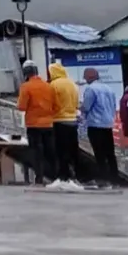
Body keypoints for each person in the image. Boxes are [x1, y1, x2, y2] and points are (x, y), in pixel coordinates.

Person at [17, 62, 57, 186]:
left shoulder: (26, 87)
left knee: (36, 152)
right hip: (49, 124)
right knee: (51, 151)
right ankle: (56, 177)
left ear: (26, 73)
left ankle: (39, 178)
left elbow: (21, 106)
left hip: (34, 125)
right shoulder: (49, 86)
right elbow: (56, 106)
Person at [79, 68, 120, 188]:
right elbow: (113, 106)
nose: (84, 79)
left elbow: (86, 107)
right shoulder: (108, 89)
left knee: (99, 154)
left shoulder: (91, 89)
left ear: (90, 77)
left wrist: (79, 106)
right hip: (108, 124)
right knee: (110, 154)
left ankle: (103, 180)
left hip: (95, 125)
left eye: (85, 76)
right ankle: (115, 179)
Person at [47, 62, 82, 190]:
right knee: (72, 150)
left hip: (59, 120)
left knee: (60, 151)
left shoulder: (53, 85)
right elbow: (77, 102)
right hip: (72, 120)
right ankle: (74, 178)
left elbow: (51, 103)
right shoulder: (72, 84)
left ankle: (63, 177)